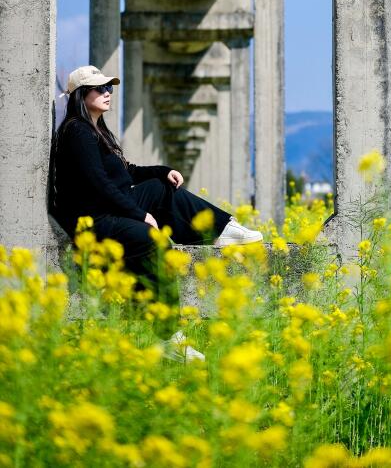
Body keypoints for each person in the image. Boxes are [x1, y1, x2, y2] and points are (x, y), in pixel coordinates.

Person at [52, 65, 262, 357]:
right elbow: (99, 184)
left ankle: (222, 230)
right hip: (95, 222)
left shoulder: (98, 130)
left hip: (109, 209)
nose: (107, 93)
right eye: (100, 88)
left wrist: (164, 171)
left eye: (109, 88)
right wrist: (141, 216)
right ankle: (167, 338)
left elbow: (126, 172)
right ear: (80, 95)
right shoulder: (77, 131)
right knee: (152, 240)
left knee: (161, 187)